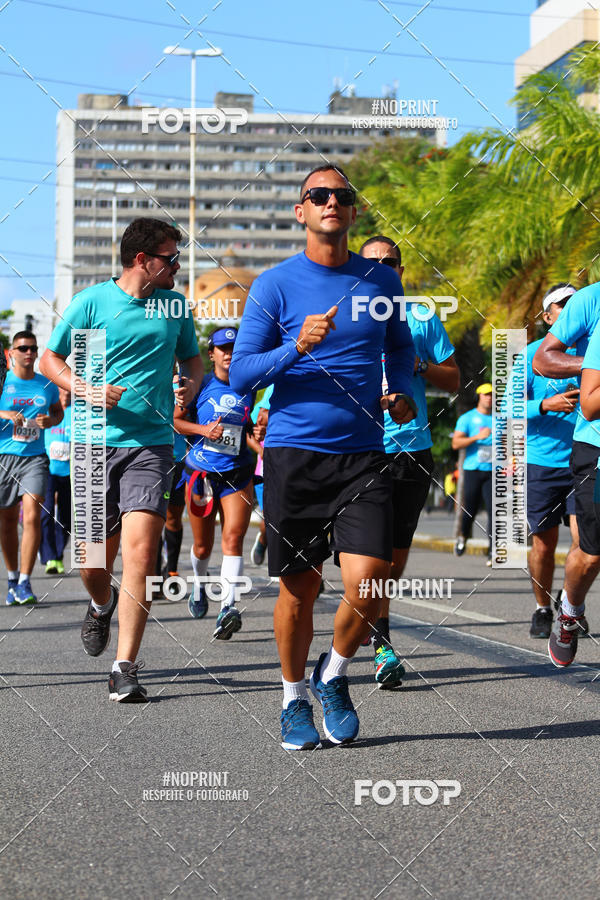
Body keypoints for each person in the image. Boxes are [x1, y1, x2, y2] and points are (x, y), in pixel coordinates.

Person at [230, 164, 416, 751]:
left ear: (353, 212)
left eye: (341, 195)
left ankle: (332, 675)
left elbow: (401, 348)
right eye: (318, 195)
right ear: (301, 212)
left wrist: (403, 390)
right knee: (299, 590)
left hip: (363, 454)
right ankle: (291, 698)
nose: (331, 202)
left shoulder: (380, 283)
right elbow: (241, 373)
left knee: (370, 580)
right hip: (294, 455)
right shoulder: (275, 285)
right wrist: (295, 346)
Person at [40, 218, 202, 701]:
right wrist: (86, 387)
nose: (178, 265)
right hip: (92, 442)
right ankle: (100, 602)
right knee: (90, 562)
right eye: (170, 257)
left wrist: (190, 386)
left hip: (151, 444)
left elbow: (191, 358)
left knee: (141, 554)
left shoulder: (174, 305)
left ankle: (125, 666)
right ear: (142, 260)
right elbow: (51, 359)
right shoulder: (91, 302)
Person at [359, 235, 459, 689]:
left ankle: (372, 617)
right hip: (359, 449)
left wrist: (419, 366)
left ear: (401, 270)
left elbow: (454, 378)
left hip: (411, 449)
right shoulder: (346, 315)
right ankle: (382, 641)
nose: (383, 267)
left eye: (391, 261)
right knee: (370, 555)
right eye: (373, 261)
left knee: (394, 557)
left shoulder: (421, 316)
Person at [174, 326, 257, 639]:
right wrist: (202, 430)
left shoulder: (249, 387)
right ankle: (198, 583)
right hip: (201, 475)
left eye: (234, 349)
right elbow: (175, 421)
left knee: (233, 538)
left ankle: (228, 607)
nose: (229, 354)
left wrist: (256, 432)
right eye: (222, 349)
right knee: (202, 545)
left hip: (237, 472)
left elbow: (248, 424)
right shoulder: (201, 385)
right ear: (211, 355)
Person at [534, 280, 600, 666]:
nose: (566, 308)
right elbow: (542, 361)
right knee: (587, 553)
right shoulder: (592, 301)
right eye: (560, 305)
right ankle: (567, 612)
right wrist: (592, 362)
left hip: (573, 456)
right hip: (583, 449)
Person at [521, 284, 584, 639]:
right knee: (543, 544)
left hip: (586, 460)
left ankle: (570, 600)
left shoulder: (592, 352)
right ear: (547, 317)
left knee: (586, 540)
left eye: (576, 305)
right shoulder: (530, 355)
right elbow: (505, 411)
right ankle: (543, 607)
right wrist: (544, 405)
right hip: (542, 463)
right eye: (563, 306)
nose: (571, 310)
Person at [0, 331, 62, 604]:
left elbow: (58, 411)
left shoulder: (45, 385)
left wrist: (50, 420)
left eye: (33, 348)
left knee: (33, 512)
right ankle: (12, 577)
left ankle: (25, 581)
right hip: (4, 457)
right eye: (22, 348)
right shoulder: (3, 383)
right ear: (11, 353)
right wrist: (5, 414)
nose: (28, 352)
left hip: (35, 458)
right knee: (7, 521)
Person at [452, 384, 493, 563]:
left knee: (495, 511)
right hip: (473, 470)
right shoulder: (467, 418)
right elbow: (456, 444)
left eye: (492, 395)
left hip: (494, 471)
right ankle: (463, 536)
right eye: (485, 395)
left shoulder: (499, 419)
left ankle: (493, 551)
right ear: (479, 397)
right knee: (470, 509)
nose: (489, 398)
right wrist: (478, 437)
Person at [40, 387, 72, 575]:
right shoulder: (48, 414)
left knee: (66, 518)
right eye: (62, 393)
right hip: (48, 470)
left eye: (69, 393)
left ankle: (57, 555)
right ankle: (49, 555)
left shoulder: (76, 414)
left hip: (69, 472)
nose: (66, 396)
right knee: (47, 512)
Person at [157, 428, 188, 600]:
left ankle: (171, 572)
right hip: (154, 457)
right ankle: (153, 575)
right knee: (152, 520)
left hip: (179, 460)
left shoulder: (186, 399)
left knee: (173, 519)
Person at [249, 386, 273, 567]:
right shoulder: (272, 389)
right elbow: (249, 431)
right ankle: (264, 540)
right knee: (271, 518)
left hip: (296, 465)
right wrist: (261, 451)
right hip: (265, 471)